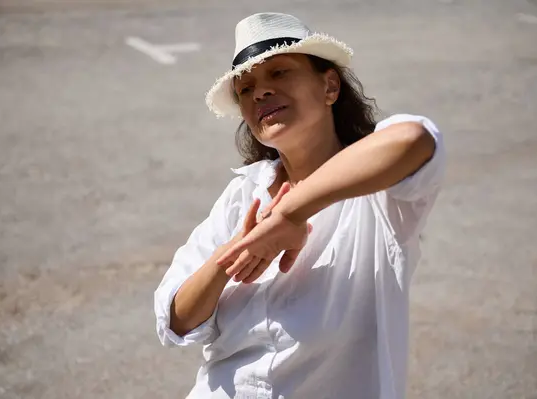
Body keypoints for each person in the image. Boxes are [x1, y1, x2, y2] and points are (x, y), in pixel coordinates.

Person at [154, 12, 445, 399]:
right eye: (246, 89)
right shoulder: (243, 194)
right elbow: (177, 319)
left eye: (279, 73)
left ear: (329, 86)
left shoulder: (381, 196)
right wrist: (235, 254)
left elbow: (414, 139)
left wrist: (291, 213)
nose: (259, 93)